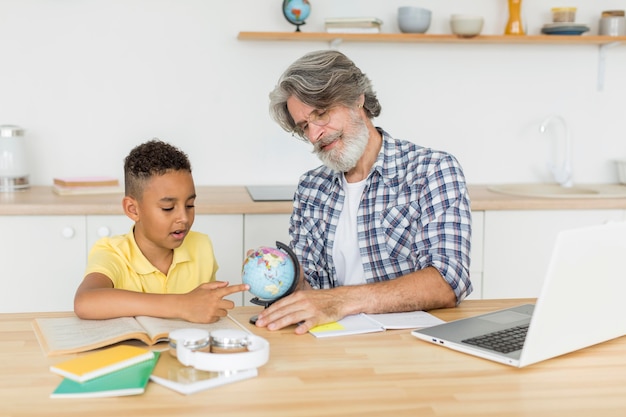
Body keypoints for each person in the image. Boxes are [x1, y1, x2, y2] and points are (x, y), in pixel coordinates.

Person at [255, 50, 472, 334]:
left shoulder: (432, 171)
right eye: (304, 126)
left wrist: (340, 301)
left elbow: (447, 282)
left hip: (411, 345)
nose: (314, 135)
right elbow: (311, 289)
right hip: (334, 343)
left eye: (320, 114)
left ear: (357, 99)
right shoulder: (311, 188)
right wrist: (280, 276)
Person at [74, 139, 248, 323]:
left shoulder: (201, 246)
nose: (184, 217)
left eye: (190, 205)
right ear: (133, 209)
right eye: (168, 208)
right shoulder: (112, 252)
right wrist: (182, 305)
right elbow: (85, 302)